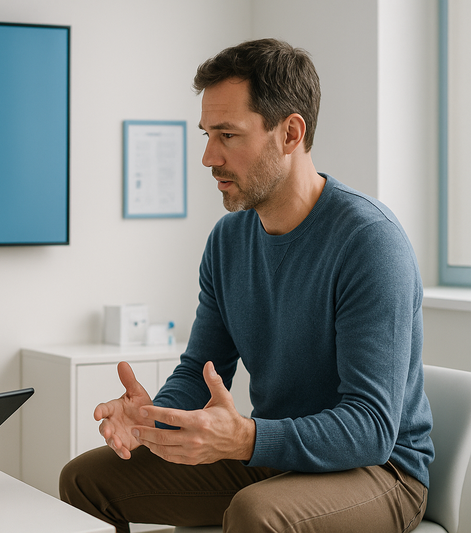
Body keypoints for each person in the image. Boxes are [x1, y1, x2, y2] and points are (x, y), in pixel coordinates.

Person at [59, 39, 434, 533]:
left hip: (380, 472)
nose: (208, 156)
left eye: (228, 135)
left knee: (256, 513)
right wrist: (154, 418)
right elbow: (200, 369)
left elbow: (371, 428)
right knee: (85, 480)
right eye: (207, 134)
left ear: (290, 133)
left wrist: (245, 440)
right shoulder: (228, 240)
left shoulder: (369, 243)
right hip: (274, 454)